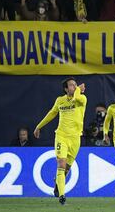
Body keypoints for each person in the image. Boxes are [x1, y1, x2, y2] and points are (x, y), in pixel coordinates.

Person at [33, 77, 87, 205]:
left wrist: (78, 90)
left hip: (75, 139)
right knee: (61, 165)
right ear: (65, 89)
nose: (74, 87)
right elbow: (52, 113)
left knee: (67, 168)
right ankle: (62, 196)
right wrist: (38, 126)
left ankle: (58, 184)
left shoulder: (82, 99)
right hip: (61, 136)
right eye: (71, 85)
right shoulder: (60, 100)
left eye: (75, 85)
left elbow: (75, 98)